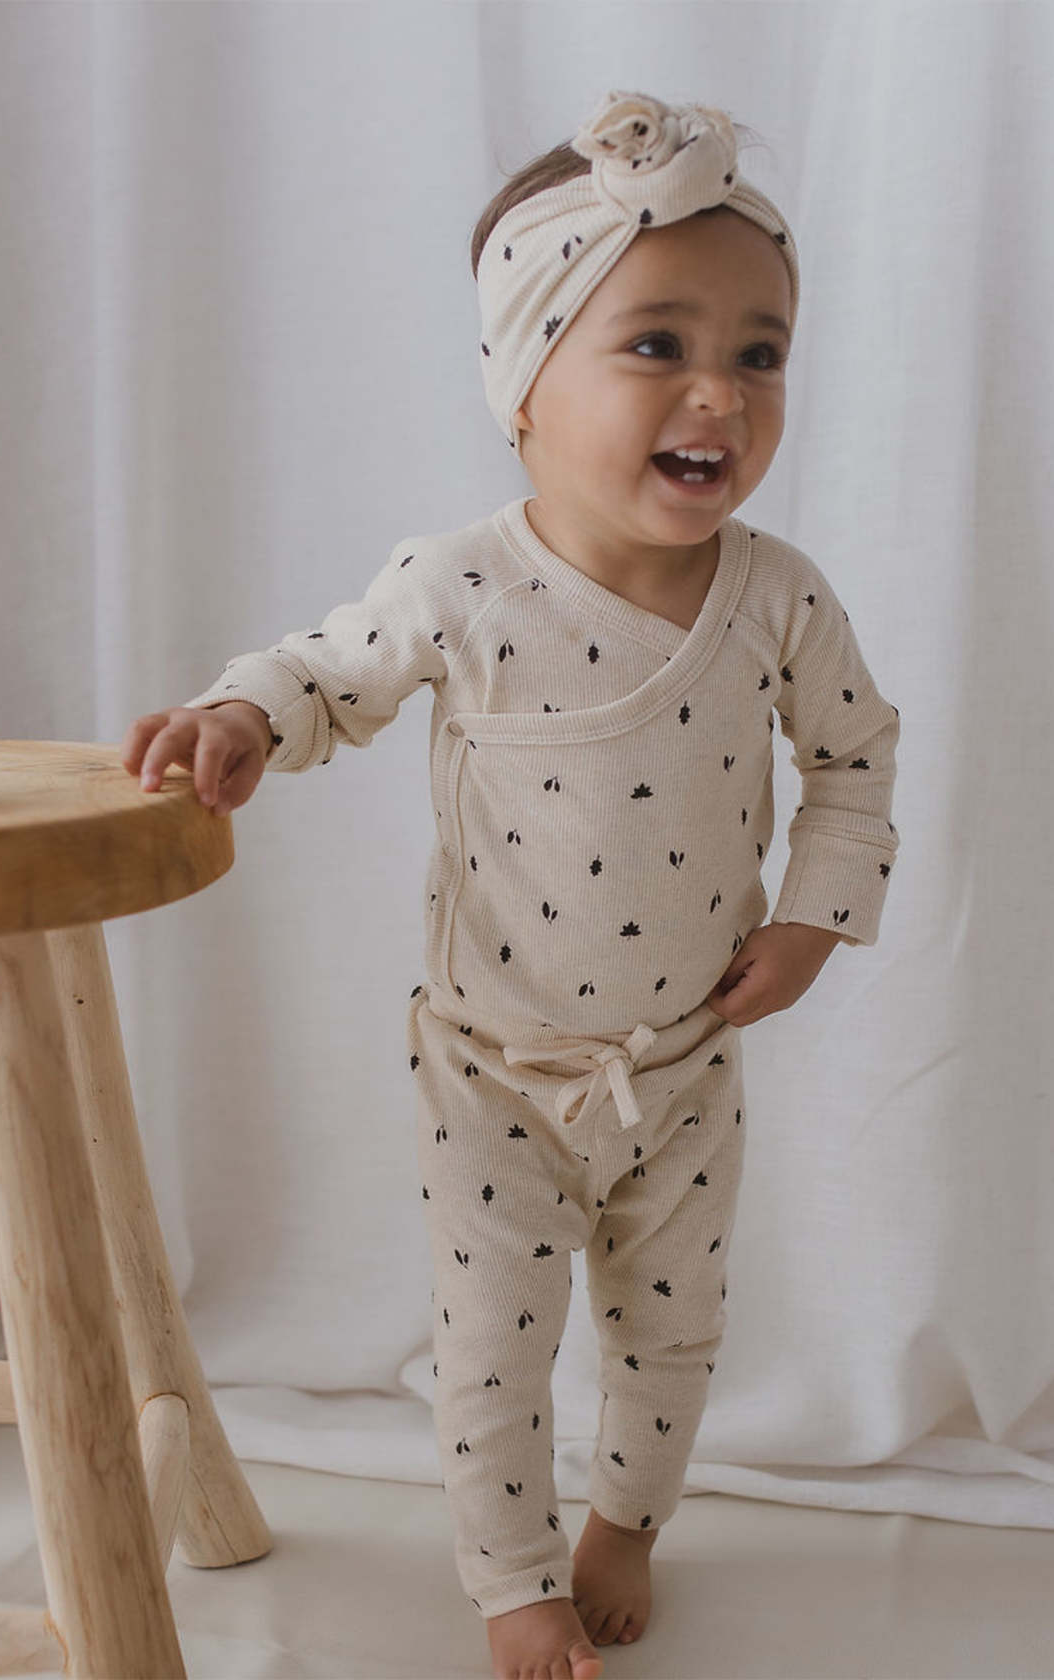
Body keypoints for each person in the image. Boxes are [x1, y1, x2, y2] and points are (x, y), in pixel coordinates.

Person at [123, 90, 899, 1680]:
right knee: (491, 1350)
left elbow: (860, 757)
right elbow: (328, 670)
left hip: (683, 1066)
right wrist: (243, 712)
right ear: (522, 383)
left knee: (674, 1335)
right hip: (494, 1069)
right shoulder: (462, 581)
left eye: (761, 354)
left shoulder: (778, 599)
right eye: (656, 344)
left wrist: (817, 911)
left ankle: (628, 1518)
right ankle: (510, 1576)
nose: (721, 394)